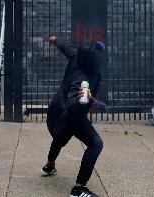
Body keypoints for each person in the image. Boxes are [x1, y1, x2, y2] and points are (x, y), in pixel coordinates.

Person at [41, 36, 105, 197]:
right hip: (66, 116)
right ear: (93, 63)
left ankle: (49, 166)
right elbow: (74, 106)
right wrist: (86, 102)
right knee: (96, 144)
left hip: (55, 111)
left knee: (60, 139)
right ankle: (78, 190)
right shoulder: (82, 80)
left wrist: (55, 40)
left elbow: (65, 46)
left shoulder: (77, 56)